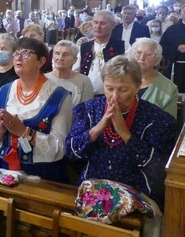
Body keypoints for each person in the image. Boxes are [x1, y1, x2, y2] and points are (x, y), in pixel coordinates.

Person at [65, 56, 175, 210]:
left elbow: (159, 170)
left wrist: (125, 133)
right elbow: (71, 153)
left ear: (138, 86)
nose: (114, 96)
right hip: (92, 190)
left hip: (137, 195)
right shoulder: (89, 110)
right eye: (109, 88)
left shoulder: (157, 119)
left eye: (123, 89)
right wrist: (98, 128)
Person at [0, 37, 73, 183]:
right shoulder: (5, 90)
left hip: (43, 174)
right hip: (5, 168)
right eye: (16, 53)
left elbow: (60, 146)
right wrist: (0, 130)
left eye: (25, 53)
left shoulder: (59, 96)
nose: (18, 58)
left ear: (41, 61)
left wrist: (24, 132)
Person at [75, 10, 124, 96]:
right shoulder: (84, 47)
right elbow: (75, 71)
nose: (98, 26)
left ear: (112, 25)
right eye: (95, 22)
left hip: (111, 97)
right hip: (85, 95)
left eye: (103, 23)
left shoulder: (122, 46)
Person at [160, 3, 185, 110]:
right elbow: (163, 46)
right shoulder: (172, 29)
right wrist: (177, 48)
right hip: (175, 67)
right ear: (180, 13)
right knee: (175, 93)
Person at [128, 38, 178, 120]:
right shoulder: (120, 78)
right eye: (138, 52)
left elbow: (169, 123)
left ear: (158, 60)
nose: (141, 58)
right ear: (131, 55)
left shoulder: (169, 88)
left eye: (148, 54)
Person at [46, 40, 94, 106]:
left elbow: (87, 109)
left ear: (74, 60)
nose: (60, 58)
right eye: (57, 53)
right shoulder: (44, 79)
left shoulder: (84, 81)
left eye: (65, 54)